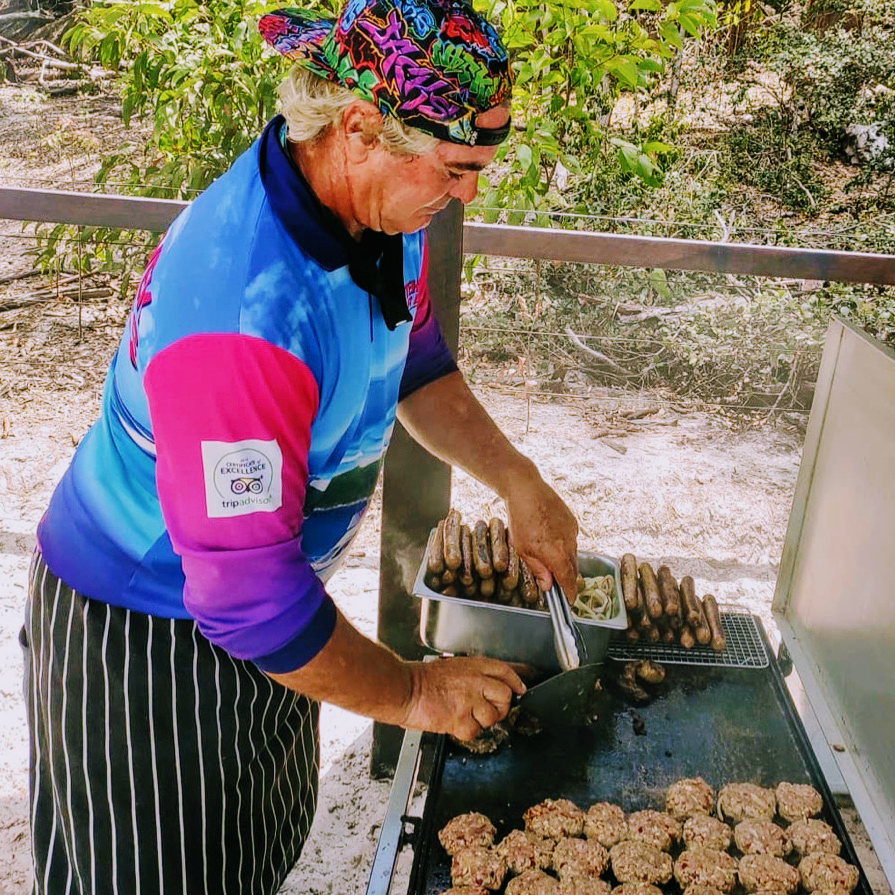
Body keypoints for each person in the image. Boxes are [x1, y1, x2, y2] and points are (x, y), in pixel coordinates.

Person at [22, 1, 580, 892]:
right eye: (456, 168)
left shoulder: (370, 216)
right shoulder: (245, 314)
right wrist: (410, 692)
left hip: (262, 603)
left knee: (250, 847)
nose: (469, 193)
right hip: (148, 635)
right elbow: (247, 601)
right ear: (359, 128)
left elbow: (415, 359)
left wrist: (518, 479)